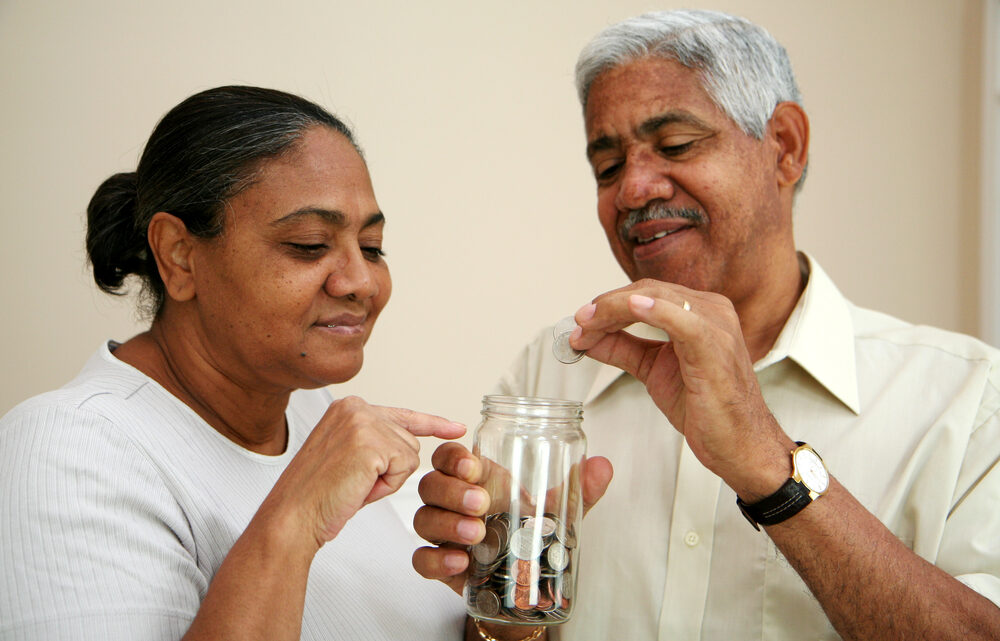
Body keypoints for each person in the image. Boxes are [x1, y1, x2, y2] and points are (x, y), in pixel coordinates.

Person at [411, 10, 1000, 641]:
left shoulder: (967, 400)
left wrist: (771, 466)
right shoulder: (553, 375)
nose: (633, 189)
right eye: (607, 167)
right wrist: (504, 606)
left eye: (675, 145)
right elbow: (501, 634)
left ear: (786, 146)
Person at [0, 86, 469, 640]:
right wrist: (296, 517)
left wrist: (511, 596)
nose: (362, 282)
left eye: (372, 246)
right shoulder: (70, 449)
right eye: (309, 244)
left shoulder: (320, 415)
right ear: (179, 254)